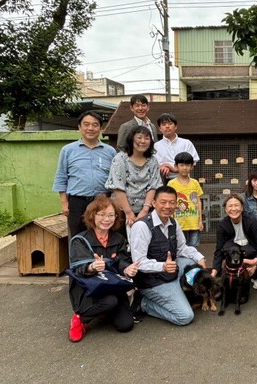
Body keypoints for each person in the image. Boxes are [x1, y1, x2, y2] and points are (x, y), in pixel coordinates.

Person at [129, 186, 206, 326]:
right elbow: (138, 262)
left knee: (191, 262)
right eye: (163, 202)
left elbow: (182, 248)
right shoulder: (142, 226)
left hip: (171, 271)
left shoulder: (173, 223)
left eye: (172, 202)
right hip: (152, 281)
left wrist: (200, 258)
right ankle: (144, 303)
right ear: (153, 203)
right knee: (185, 316)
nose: (167, 206)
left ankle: (178, 291)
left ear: (176, 204)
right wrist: (163, 266)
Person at [67, 195, 140, 342]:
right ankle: (80, 319)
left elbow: (122, 261)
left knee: (125, 325)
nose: (107, 219)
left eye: (111, 215)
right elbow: (78, 269)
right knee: (110, 301)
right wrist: (91, 267)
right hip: (88, 289)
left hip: (112, 286)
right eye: (101, 215)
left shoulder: (118, 239)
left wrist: (127, 269)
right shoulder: (80, 240)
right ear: (92, 216)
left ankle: (104, 311)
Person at [53, 111, 116, 239]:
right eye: (86, 124)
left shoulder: (110, 151)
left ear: (100, 128)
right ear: (79, 127)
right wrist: (64, 203)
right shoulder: (68, 150)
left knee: (103, 237)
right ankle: (79, 260)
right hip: (77, 202)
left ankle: (102, 260)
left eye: (95, 125)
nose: (90, 128)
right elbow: (61, 177)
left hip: (102, 201)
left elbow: (116, 178)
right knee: (78, 238)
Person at [105, 125, 162, 230]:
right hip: (121, 209)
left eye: (146, 138)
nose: (143, 141)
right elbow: (117, 186)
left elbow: (153, 185)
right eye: (139, 137)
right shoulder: (120, 159)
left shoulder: (152, 160)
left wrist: (145, 210)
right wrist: (129, 212)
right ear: (131, 139)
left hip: (146, 209)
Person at [211, 194, 257, 280]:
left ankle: (254, 274)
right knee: (228, 248)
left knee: (248, 251)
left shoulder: (252, 223)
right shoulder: (222, 226)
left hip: (249, 253)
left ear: (242, 207)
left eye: (236, 205)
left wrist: (255, 264)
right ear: (225, 209)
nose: (233, 209)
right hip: (233, 253)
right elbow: (219, 250)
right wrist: (213, 274)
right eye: (230, 206)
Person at [167, 152, 204, 247]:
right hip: (179, 223)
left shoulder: (195, 183)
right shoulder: (171, 184)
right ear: (176, 166)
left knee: (194, 247)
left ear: (192, 167)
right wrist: (170, 221)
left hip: (194, 222)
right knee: (180, 247)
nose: (184, 168)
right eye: (181, 165)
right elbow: (169, 202)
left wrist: (200, 220)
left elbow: (198, 202)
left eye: (187, 165)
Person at [154, 113, 200, 183]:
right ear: (160, 128)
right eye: (163, 124)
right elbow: (152, 166)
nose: (167, 126)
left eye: (170, 123)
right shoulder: (155, 146)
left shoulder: (186, 143)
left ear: (176, 126)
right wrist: (162, 168)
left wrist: (175, 169)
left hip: (183, 180)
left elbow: (193, 164)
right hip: (162, 181)